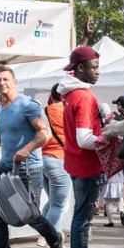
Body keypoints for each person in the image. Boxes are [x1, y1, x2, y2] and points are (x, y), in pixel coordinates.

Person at [0, 65, 66, 248]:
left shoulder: (28, 105)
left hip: (28, 168)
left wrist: (27, 149)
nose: (2, 83)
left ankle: (54, 238)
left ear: (15, 81)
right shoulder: (1, 108)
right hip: (4, 168)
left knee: (28, 215)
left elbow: (45, 133)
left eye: (5, 79)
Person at [58, 45, 109, 248]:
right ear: (80, 69)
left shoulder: (70, 94)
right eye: (94, 67)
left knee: (80, 217)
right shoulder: (84, 97)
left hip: (76, 163)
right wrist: (109, 138)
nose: (98, 72)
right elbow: (84, 139)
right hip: (86, 166)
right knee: (82, 219)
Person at [39, 84, 71, 237]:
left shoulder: (43, 111)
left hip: (43, 159)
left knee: (52, 203)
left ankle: (43, 236)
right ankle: (51, 241)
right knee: (57, 205)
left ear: (51, 96)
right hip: (60, 159)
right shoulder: (68, 111)